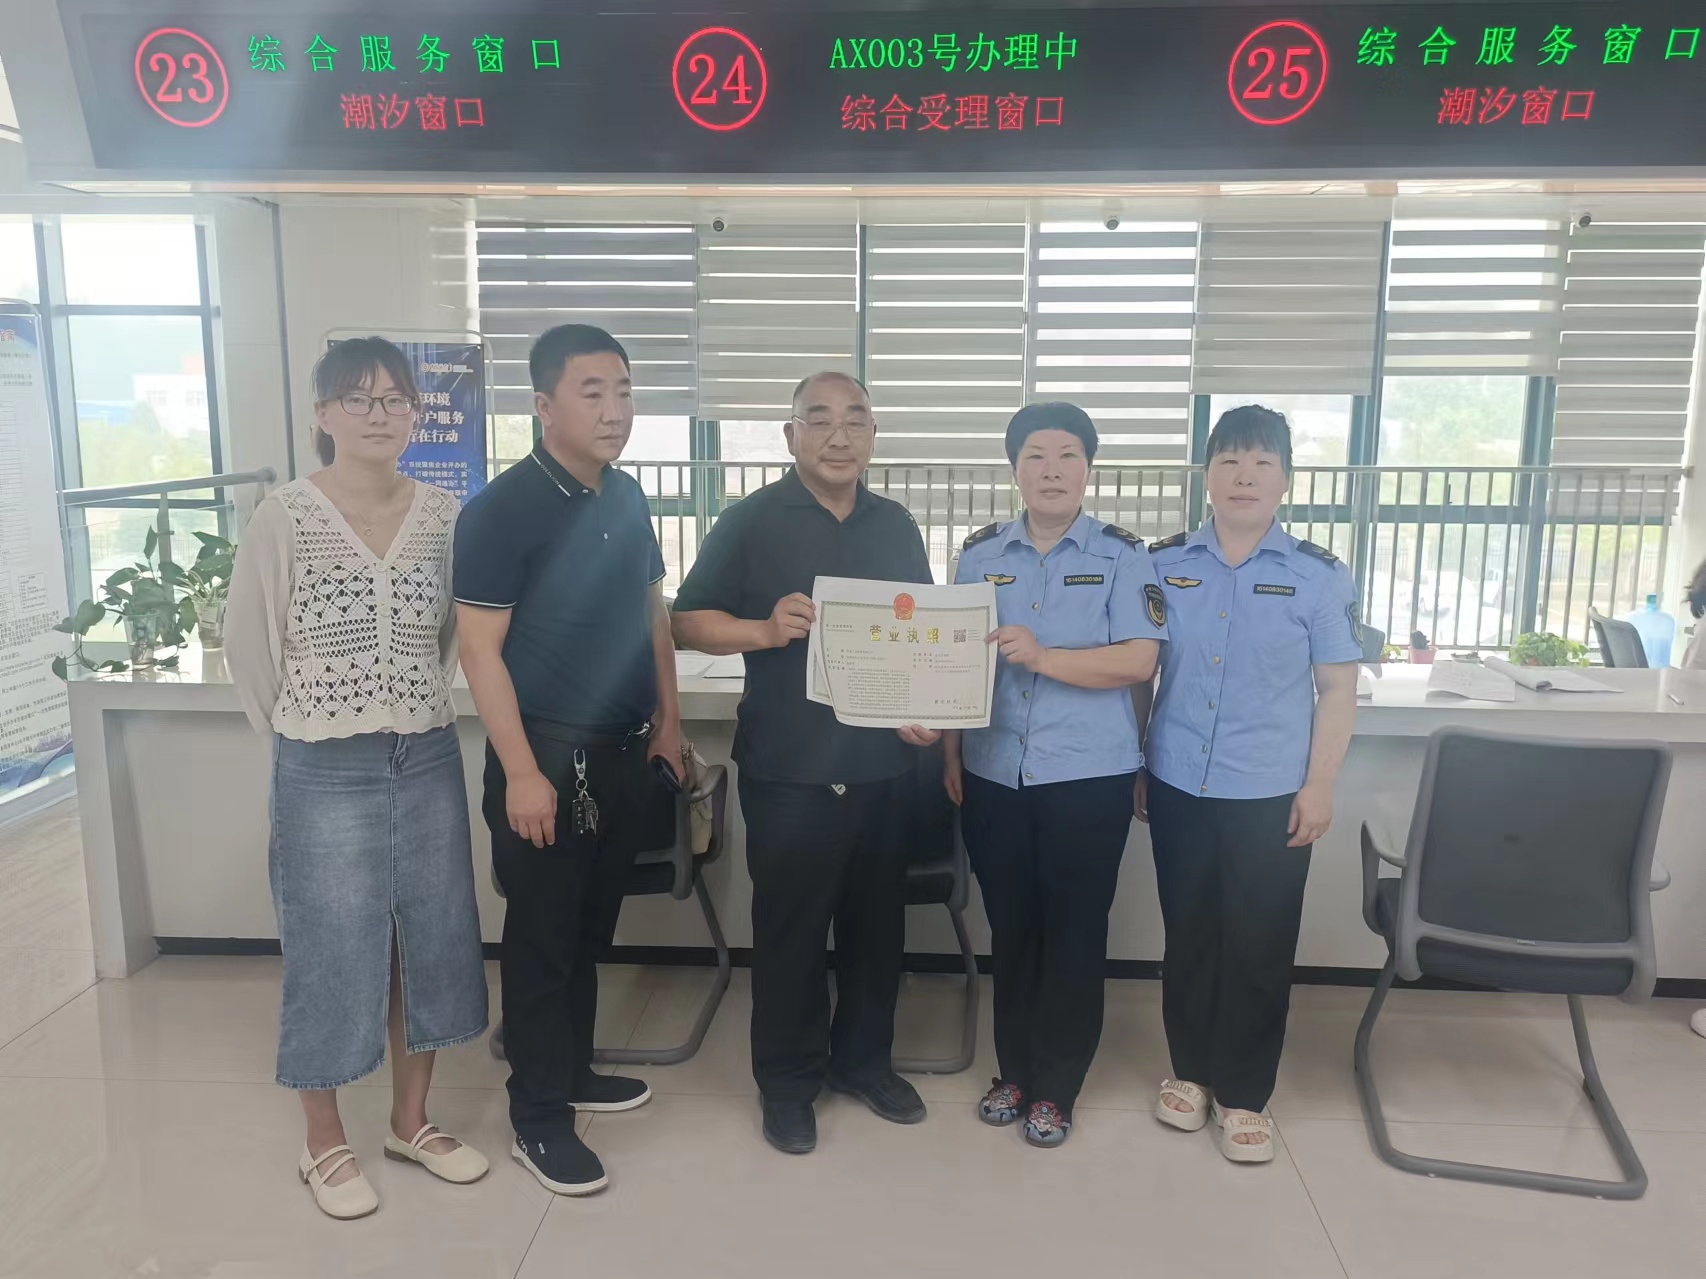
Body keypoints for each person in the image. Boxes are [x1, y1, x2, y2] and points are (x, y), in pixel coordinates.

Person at [226, 336, 489, 1220]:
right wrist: (303, 730)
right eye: (359, 399)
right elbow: (249, 645)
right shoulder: (286, 516)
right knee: (331, 945)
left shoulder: (445, 515)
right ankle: (323, 1141)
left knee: (433, 935)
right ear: (322, 414)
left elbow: (449, 639)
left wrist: (402, 700)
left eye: (395, 400)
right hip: (320, 758)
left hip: (424, 749)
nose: (380, 415)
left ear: (417, 413)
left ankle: (411, 1122)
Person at [671, 371, 937, 1155]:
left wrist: (928, 709)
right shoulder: (750, 519)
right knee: (790, 933)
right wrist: (763, 629)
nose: (838, 435)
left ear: (874, 435)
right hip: (790, 765)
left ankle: (864, 1063)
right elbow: (687, 620)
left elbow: (921, 634)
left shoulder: (897, 526)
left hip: (884, 765)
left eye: (856, 419)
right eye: (819, 419)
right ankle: (788, 1083)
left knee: (876, 930)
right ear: (791, 436)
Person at [453, 324, 683, 1197]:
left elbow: (653, 613)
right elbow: (480, 651)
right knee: (543, 940)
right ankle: (538, 1117)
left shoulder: (625, 496)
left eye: (623, 391)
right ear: (544, 405)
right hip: (545, 757)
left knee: (591, 929)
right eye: (593, 393)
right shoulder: (502, 510)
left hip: (621, 753)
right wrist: (520, 772)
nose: (614, 410)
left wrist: (668, 723)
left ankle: (574, 1069)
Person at [1136, 404, 1361, 1164]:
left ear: (1285, 480)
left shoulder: (1318, 576)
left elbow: (1338, 688)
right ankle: (1191, 1071)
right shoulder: (1164, 564)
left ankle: (1244, 1094)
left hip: (1271, 791)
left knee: (1260, 944)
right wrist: (1140, 759)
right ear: (1207, 475)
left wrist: (1320, 784)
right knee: (1189, 935)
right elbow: (1143, 673)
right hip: (1177, 781)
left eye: (1262, 462)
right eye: (1229, 460)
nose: (1244, 476)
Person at [945, 403, 1166, 1148]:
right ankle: (1013, 1071)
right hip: (993, 772)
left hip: (1089, 776)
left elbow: (1139, 659)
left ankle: (1058, 1086)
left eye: (1067, 455)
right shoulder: (979, 556)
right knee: (1012, 930)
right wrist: (950, 753)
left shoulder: (1123, 556)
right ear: (1015, 469)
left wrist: (1043, 657)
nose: (1051, 470)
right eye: (1035, 456)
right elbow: (954, 665)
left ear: (1088, 469)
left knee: (1073, 933)